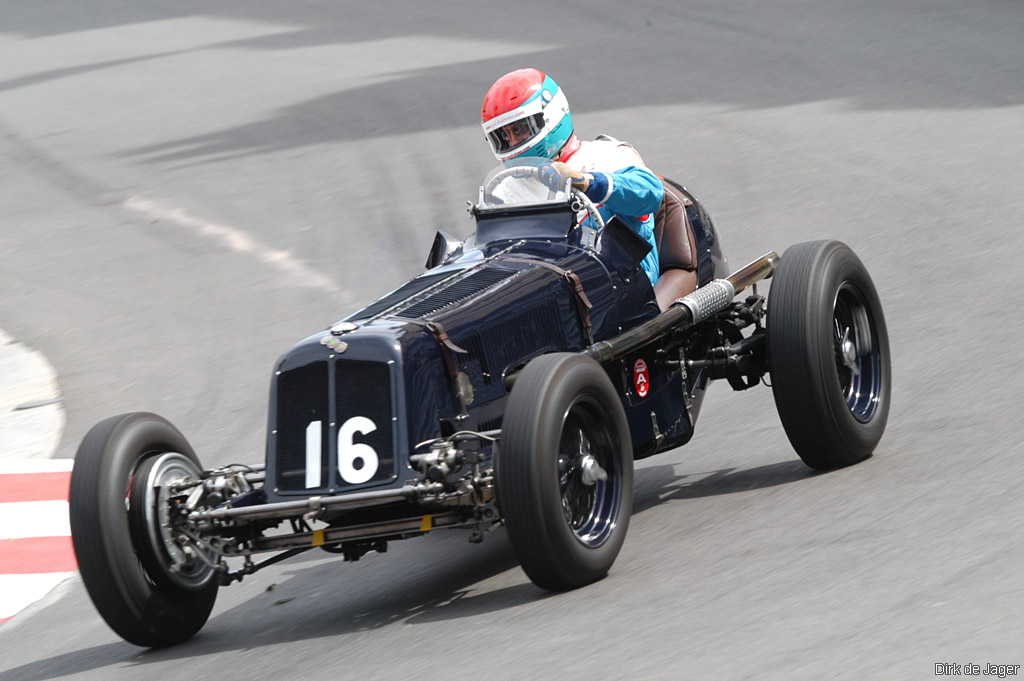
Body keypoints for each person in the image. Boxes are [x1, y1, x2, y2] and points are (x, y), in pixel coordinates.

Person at [481, 68, 664, 289]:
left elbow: (651, 193)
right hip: (545, 288)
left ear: (552, 115)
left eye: (519, 129)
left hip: (623, 284)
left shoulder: (608, 154)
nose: (511, 143)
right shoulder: (504, 189)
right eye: (502, 136)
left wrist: (586, 182)